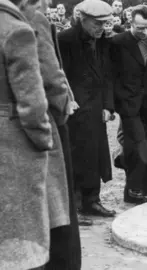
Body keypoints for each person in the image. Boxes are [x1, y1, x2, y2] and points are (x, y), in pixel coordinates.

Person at [0, 0, 53, 268]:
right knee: (21, 236)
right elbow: (32, 104)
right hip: (12, 143)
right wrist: (44, 140)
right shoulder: (15, 31)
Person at [31, 0, 83, 265]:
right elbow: (52, 79)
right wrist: (62, 111)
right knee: (57, 203)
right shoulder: (32, 19)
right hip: (42, 122)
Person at [58, 0, 117, 218]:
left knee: (95, 155)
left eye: (105, 23)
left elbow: (108, 75)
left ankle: (92, 200)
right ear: (83, 20)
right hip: (73, 109)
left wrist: (109, 106)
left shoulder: (103, 41)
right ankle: (74, 207)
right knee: (75, 156)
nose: (102, 28)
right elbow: (58, 75)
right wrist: (66, 102)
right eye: (97, 23)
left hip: (95, 109)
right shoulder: (64, 40)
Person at [111, 5, 147, 204]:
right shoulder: (118, 42)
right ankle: (133, 190)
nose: (145, 32)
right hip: (128, 105)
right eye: (140, 28)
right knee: (135, 146)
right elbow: (111, 75)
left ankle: (141, 189)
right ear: (130, 24)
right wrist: (117, 101)